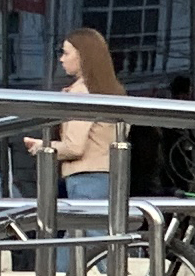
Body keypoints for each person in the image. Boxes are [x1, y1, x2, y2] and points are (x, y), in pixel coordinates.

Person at [24, 28, 126, 203]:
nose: (61, 59)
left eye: (66, 53)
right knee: (100, 229)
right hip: (109, 175)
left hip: (85, 178)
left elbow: (74, 147)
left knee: (85, 228)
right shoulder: (112, 91)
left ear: (82, 56)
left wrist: (42, 146)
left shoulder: (81, 92)